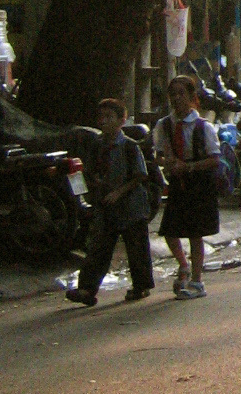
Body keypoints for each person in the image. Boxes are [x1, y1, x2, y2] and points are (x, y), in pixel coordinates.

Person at [66, 97, 155, 306]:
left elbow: (140, 176)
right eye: (101, 117)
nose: (104, 122)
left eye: (109, 117)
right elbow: (88, 170)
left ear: (121, 120)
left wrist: (118, 192)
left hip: (131, 206)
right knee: (98, 248)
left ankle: (141, 286)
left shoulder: (129, 147)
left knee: (137, 248)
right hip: (106, 206)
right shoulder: (97, 145)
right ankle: (86, 289)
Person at [154, 75, 224, 300]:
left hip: (198, 183)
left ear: (193, 98)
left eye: (181, 94)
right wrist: (168, 164)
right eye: (172, 94)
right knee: (169, 229)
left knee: (195, 233)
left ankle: (197, 280)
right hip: (177, 181)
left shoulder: (203, 127)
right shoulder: (164, 125)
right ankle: (183, 264)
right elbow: (159, 154)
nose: (176, 99)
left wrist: (190, 167)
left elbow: (215, 159)